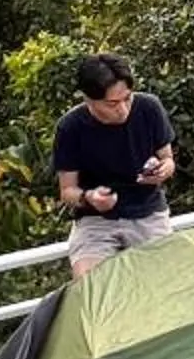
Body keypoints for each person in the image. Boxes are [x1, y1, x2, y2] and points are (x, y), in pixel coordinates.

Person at [53, 54, 178, 279]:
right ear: (88, 100)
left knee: (165, 281)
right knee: (91, 285)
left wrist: (163, 170)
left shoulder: (149, 107)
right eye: (112, 104)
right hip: (96, 221)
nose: (123, 109)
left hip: (149, 212)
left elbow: (168, 159)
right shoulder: (70, 127)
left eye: (127, 99)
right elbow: (67, 191)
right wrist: (90, 197)